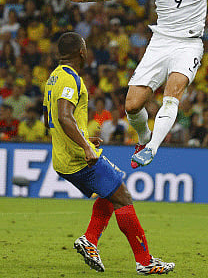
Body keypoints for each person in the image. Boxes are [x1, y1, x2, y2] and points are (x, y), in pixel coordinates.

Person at [62, 0, 208, 168]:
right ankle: (144, 139)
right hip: (160, 43)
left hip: (189, 44)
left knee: (172, 94)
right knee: (132, 106)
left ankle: (152, 148)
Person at [43, 32, 174, 274]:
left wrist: (82, 135)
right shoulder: (71, 79)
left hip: (64, 156)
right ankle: (145, 262)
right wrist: (83, 146)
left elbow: (48, 120)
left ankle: (90, 241)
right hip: (79, 159)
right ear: (81, 53)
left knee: (111, 190)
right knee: (122, 196)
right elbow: (63, 116)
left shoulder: (53, 78)